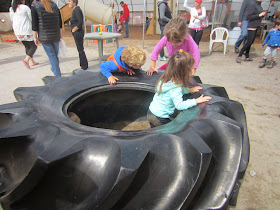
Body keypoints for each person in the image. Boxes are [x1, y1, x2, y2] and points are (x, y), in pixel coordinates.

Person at [147, 50, 211, 128]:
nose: (194, 68)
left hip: (151, 112)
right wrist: (196, 101)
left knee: (154, 131)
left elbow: (171, 93)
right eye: (192, 67)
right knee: (167, 133)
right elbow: (179, 105)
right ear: (184, 71)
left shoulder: (166, 78)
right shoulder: (175, 88)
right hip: (160, 118)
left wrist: (188, 90)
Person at [31, 0, 63, 76]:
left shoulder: (35, 6)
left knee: (52, 56)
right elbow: (60, 21)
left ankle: (57, 75)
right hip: (56, 34)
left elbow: (34, 23)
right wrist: (60, 34)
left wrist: (35, 37)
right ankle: (55, 69)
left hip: (44, 35)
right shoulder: (54, 5)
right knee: (55, 55)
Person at [10, 0, 39, 69]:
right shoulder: (25, 7)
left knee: (27, 46)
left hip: (17, 31)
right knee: (34, 46)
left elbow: (12, 19)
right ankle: (26, 59)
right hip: (26, 30)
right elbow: (32, 18)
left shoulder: (12, 9)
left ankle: (32, 61)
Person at [68, 0, 88, 70]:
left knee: (80, 49)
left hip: (78, 32)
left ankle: (84, 65)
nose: (68, 3)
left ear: (74, 2)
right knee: (79, 49)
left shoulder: (77, 10)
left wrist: (74, 29)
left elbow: (80, 22)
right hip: (76, 33)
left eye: (70, 1)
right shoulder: (75, 10)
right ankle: (82, 64)